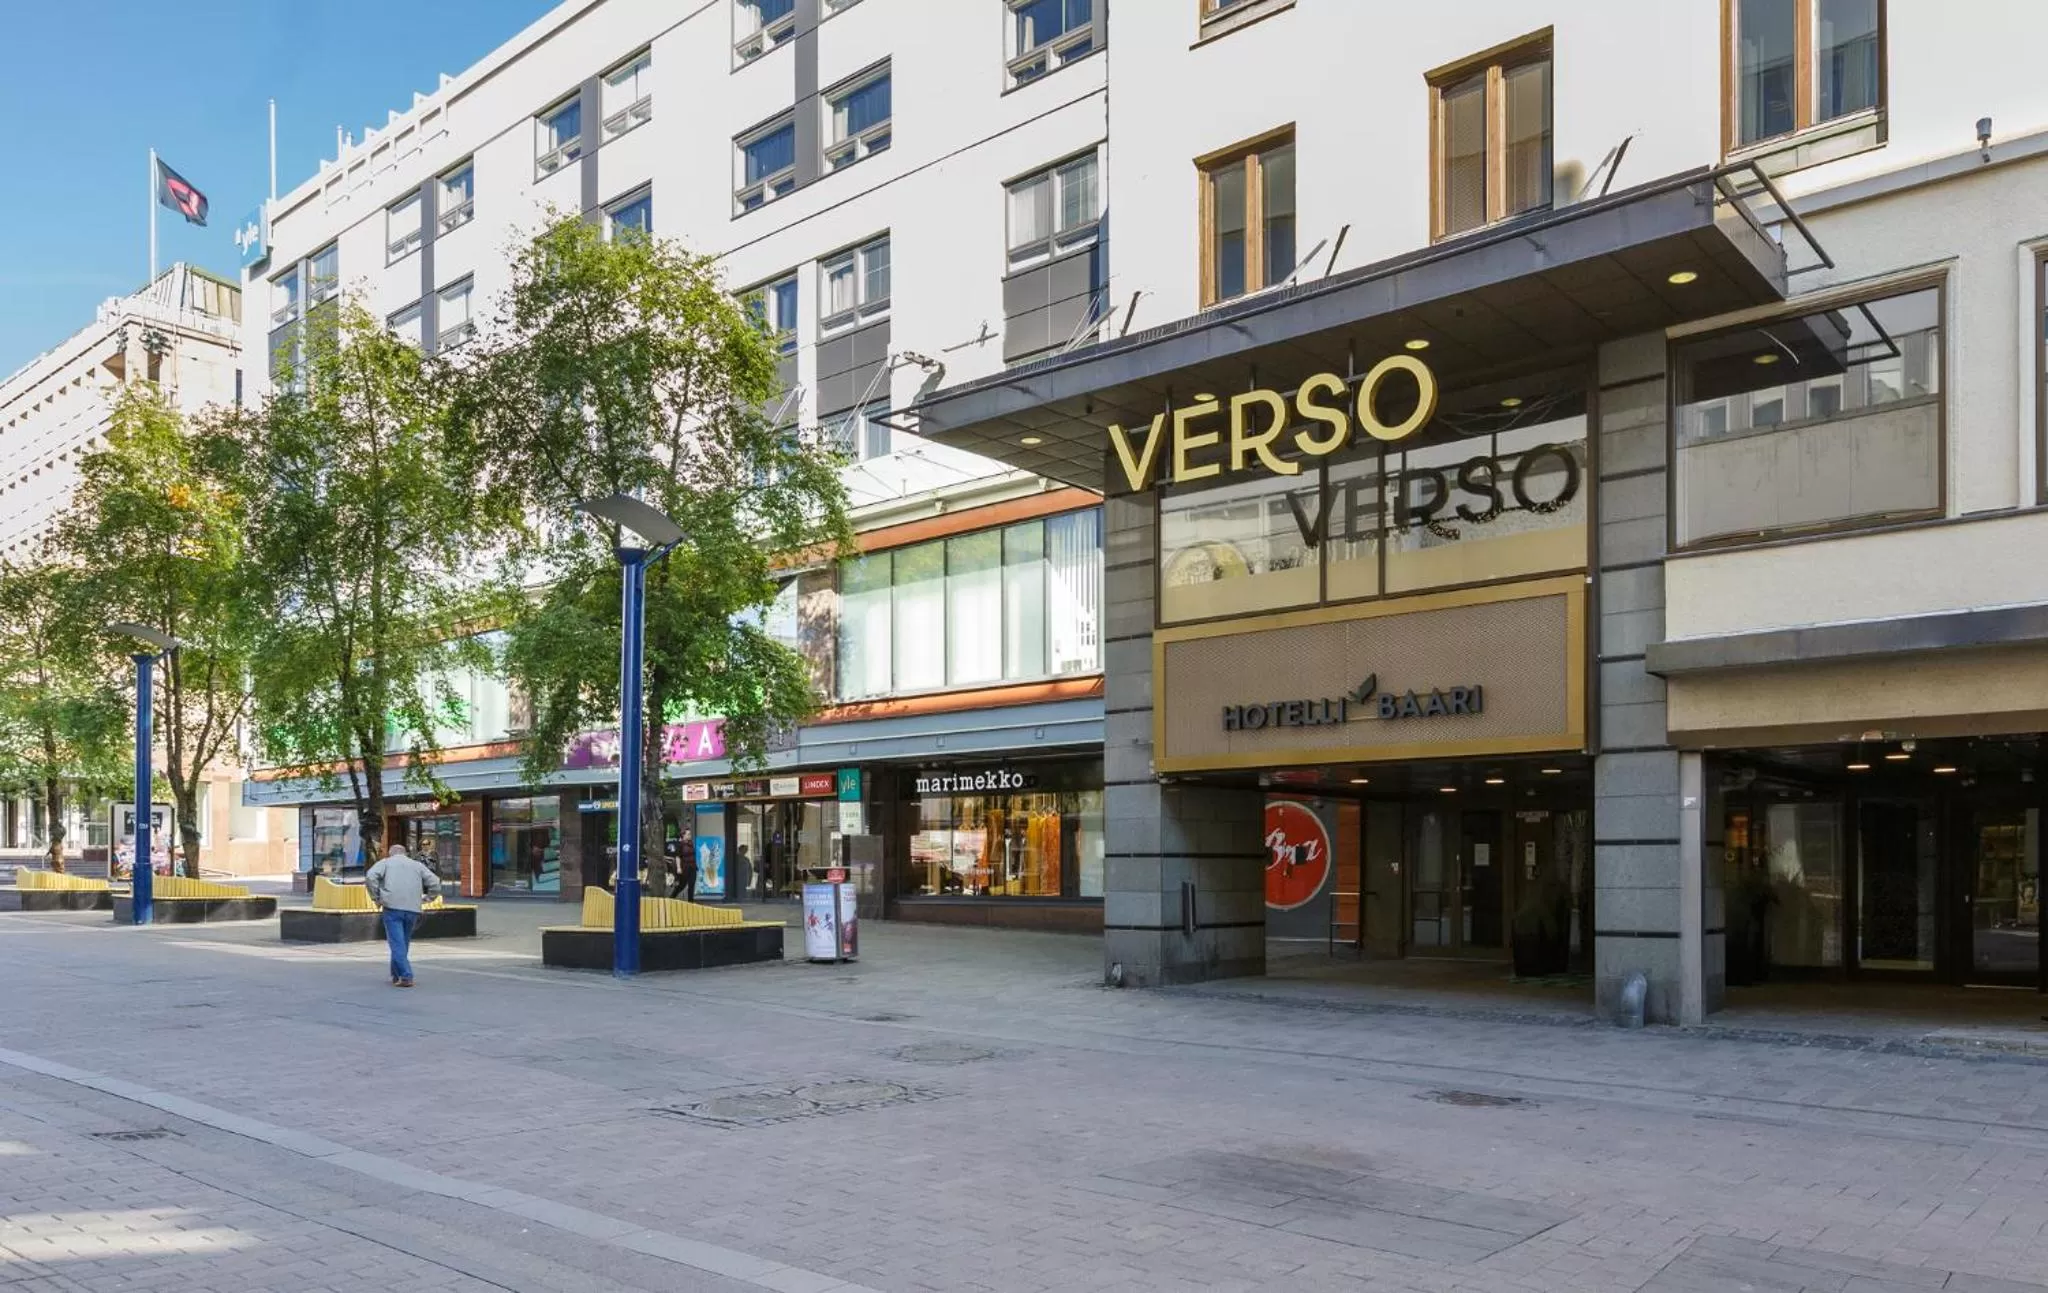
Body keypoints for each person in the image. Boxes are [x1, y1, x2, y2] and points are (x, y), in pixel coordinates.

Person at [366, 843, 442, 988]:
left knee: (396, 943)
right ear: (405, 853)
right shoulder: (417, 865)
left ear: (390, 853)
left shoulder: (386, 863)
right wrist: (428, 898)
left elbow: (370, 877)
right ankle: (396, 975)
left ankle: (406, 976)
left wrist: (376, 897)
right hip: (413, 909)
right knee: (403, 942)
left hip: (392, 907)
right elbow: (435, 882)